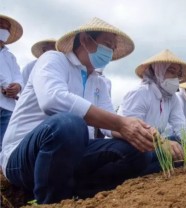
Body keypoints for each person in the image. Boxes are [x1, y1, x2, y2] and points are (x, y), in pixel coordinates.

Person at [1, 17, 155, 204]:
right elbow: (52, 99)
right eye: (107, 44)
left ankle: (81, 195)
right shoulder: (53, 59)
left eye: (112, 48)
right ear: (85, 40)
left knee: (137, 150)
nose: (110, 51)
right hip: (24, 157)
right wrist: (121, 124)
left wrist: (138, 129)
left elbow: (111, 124)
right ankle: (51, 201)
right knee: (70, 124)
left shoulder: (98, 82)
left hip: (71, 156)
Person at [118, 50, 186, 175]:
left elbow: (183, 128)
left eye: (178, 75)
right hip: (132, 145)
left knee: (180, 153)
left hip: (154, 146)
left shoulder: (172, 99)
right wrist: (162, 142)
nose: (175, 79)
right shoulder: (140, 93)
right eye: (171, 71)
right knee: (146, 156)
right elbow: (133, 130)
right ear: (157, 71)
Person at [0, 14, 23, 152]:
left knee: (4, 144)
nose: (3, 29)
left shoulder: (10, 56)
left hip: (8, 107)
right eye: (1, 26)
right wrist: (6, 85)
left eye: (6, 28)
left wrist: (17, 86)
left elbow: (18, 75)